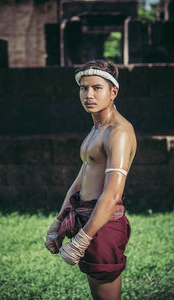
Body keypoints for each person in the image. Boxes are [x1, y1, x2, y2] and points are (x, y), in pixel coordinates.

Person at [45, 59, 137, 300]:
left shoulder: (119, 132)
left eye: (97, 88)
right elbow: (80, 179)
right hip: (87, 218)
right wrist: (59, 221)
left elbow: (113, 194)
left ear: (113, 92)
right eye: (84, 88)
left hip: (102, 224)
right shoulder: (96, 129)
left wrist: (81, 240)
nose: (88, 94)